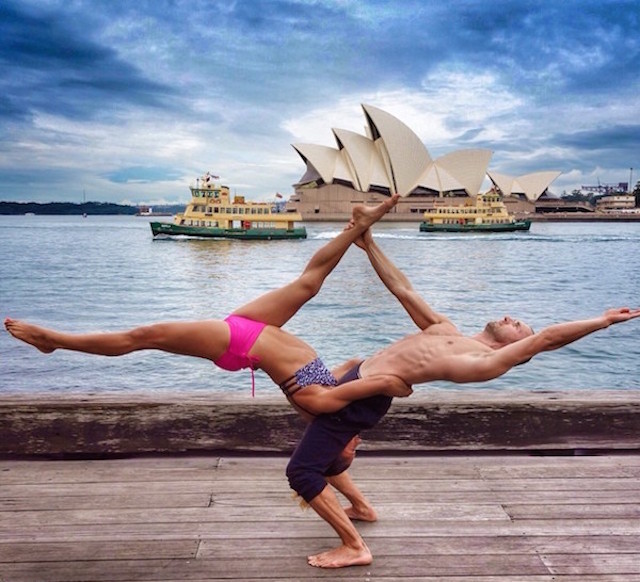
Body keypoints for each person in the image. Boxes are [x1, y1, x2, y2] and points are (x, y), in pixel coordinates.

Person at [285, 229, 640, 569]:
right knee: (319, 449)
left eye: (518, 325)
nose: (508, 317)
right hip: (356, 378)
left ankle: (354, 546)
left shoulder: (482, 362)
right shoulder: (445, 330)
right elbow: (402, 289)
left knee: (302, 471)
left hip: (363, 399)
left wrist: (603, 321)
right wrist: (370, 244)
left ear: (514, 346)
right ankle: (362, 508)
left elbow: (546, 338)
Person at [3, 195, 410, 420]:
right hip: (253, 329)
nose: (353, 445)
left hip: (240, 343)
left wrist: (396, 379)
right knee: (308, 285)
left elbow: (385, 384)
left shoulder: (320, 407)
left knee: (144, 337)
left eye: (348, 447)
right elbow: (360, 363)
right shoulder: (333, 393)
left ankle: (53, 341)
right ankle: (359, 226)